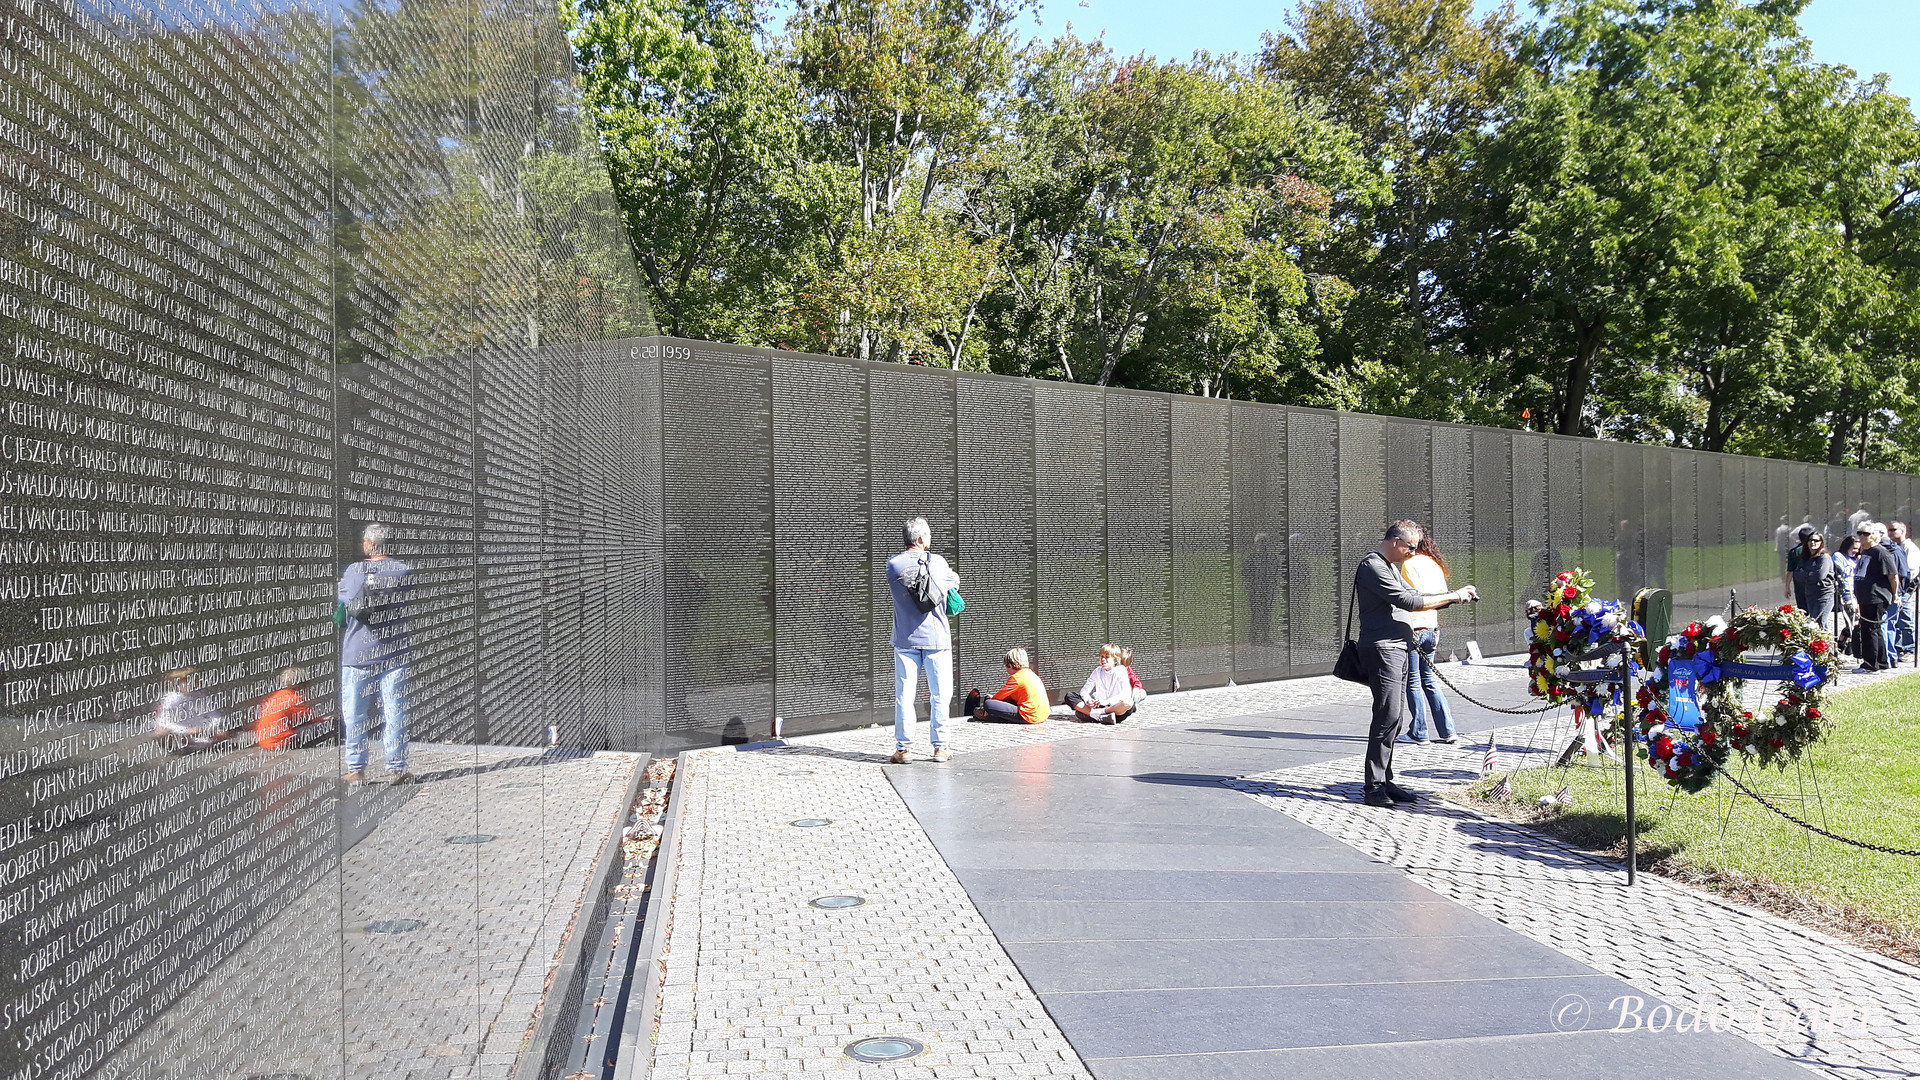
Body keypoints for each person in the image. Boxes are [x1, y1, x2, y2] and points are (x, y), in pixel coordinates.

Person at [1353, 521, 1477, 808]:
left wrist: (1455, 598)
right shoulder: (1373, 566)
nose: (1413, 552)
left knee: (1394, 719)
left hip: (1397, 648)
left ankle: (1385, 780)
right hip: (1383, 650)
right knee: (1387, 716)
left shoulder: (1390, 565)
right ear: (1395, 541)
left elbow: (1416, 597)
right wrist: (1454, 596)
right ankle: (1374, 787)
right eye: (1410, 546)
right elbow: (1407, 601)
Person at [339, 522, 415, 783]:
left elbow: (343, 604)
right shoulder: (404, 570)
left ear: (370, 544)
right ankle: (396, 768)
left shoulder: (353, 571)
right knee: (395, 711)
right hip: (394, 652)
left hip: (357, 652)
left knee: (355, 713)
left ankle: (356, 769)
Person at [886, 517, 959, 763]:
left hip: (905, 640)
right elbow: (954, 582)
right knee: (940, 695)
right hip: (937, 639)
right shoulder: (938, 562)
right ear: (920, 539)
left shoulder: (893, 565)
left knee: (904, 696)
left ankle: (904, 749)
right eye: (928, 536)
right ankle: (940, 747)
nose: (930, 540)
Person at [1398, 529, 1459, 745]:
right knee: (1430, 680)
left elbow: (1408, 598)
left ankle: (1419, 731)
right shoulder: (1435, 564)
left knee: (1413, 682)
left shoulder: (1408, 565)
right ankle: (1448, 730)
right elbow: (1443, 596)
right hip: (1432, 628)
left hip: (1414, 627)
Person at [1854, 522, 1900, 673]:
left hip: (1876, 596)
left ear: (1873, 535)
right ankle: (1881, 662)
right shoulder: (1865, 551)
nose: (1861, 536)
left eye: (1865, 534)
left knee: (1870, 629)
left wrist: (1895, 594)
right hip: (1864, 595)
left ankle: (1870, 663)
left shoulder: (1881, 553)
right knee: (1873, 629)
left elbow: (1893, 576)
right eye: (1859, 533)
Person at [966, 648, 1047, 724]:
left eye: (1006, 666)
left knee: (989, 704)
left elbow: (998, 697)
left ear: (1010, 665)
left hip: (1029, 716)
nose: (1006, 670)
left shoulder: (1016, 678)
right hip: (1042, 715)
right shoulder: (1031, 674)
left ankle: (986, 715)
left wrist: (991, 700)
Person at [1064, 644, 1135, 724]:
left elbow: (1125, 693)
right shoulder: (1097, 671)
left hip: (1114, 707)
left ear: (1115, 660)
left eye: (1107, 657)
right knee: (1070, 696)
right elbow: (1084, 690)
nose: (1103, 659)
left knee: (1128, 703)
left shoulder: (1121, 670)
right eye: (1101, 656)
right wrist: (1088, 700)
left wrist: (1106, 701)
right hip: (1099, 705)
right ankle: (1102, 717)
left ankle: (1095, 714)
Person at [256, 667, 316, 750]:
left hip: (265, 741)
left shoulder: (279, 695)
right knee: (329, 724)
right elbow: (310, 718)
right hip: (281, 743)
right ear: (302, 683)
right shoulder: (295, 698)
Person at [1790, 531, 1839, 632]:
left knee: (1819, 623)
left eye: (1816, 540)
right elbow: (1797, 575)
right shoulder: (1805, 558)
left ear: (1821, 542)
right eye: (1810, 540)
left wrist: (1806, 573)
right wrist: (1810, 573)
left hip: (1824, 595)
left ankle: (1824, 646)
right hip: (1810, 594)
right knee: (1813, 622)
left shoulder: (1824, 558)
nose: (1813, 542)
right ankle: (1817, 646)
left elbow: (1820, 575)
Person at [1892, 521, 1920, 662]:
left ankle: (1910, 649)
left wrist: (1901, 587)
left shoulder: (1909, 548)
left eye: (1893, 530)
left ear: (1902, 531)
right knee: (1897, 620)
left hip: (1904, 589)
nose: (1890, 532)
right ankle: (1898, 647)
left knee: (1906, 620)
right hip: (1896, 588)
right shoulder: (1895, 547)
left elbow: (1911, 571)